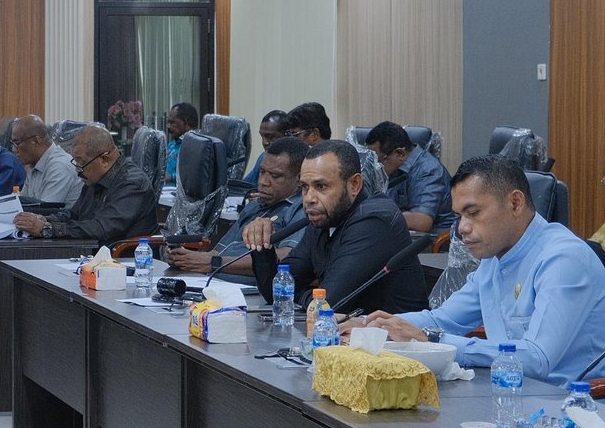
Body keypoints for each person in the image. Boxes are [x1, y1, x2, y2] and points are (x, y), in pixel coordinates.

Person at [347, 156, 605, 392]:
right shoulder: (495, 258)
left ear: (515, 203)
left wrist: (429, 340)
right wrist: (370, 325)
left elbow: (537, 359)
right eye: (459, 216)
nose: (462, 228)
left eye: (473, 213)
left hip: (582, 413)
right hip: (515, 400)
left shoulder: (564, 259)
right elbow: (443, 320)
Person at [247, 139, 426, 314]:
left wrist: (297, 294)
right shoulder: (324, 218)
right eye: (304, 187)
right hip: (351, 330)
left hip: (394, 333)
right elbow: (277, 291)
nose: (309, 198)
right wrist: (262, 245)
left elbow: (328, 306)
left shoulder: (375, 220)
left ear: (354, 185)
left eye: (321, 186)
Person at [168, 136, 307, 276]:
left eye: (275, 176)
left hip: (247, 287)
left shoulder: (301, 210)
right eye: (262, 172)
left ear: (299, 179)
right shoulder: (255, 206)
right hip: (213, 281)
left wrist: (214, 263)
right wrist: (186, 258)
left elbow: (287, 258)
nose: (263, 182)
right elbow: (219, 252)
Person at [13, 124, 157, 246]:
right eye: (75, 161)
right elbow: (74, 214)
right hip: (92, 254)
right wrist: (45, 220)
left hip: (125, 259)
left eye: (81, 162)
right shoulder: (94, 177)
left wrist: (47, 229)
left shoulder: (131, 183)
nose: (77, 169)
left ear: (105, 159)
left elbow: (101, 228)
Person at [364, 121, 452, 234]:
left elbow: (422, 222)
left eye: (379, 160)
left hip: (435, 240)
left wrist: (376, 216)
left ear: (400, 153)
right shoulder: (394, 168)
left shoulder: (428, 170)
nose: (376, 167)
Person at [10, 114, 80, 206]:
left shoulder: (60, 167)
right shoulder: (34, 164)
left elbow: (45, 210)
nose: (14, 149)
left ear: (36, 141)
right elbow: (23, 204)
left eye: (17, 143)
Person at [242, 110, 290, 189]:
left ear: (288, 134)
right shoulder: (264, 157)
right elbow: (245, 186)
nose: (264, 142)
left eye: (271, 137)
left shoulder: (298, 161)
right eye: (262, 136)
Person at [165, 102, 200, 184]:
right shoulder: (171, 145)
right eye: (168, 122)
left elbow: (193, 176)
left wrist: (170, 177)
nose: (168, 126)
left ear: (186, 122)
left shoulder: (197, 148)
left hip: (178, 190)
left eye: (172, 122)